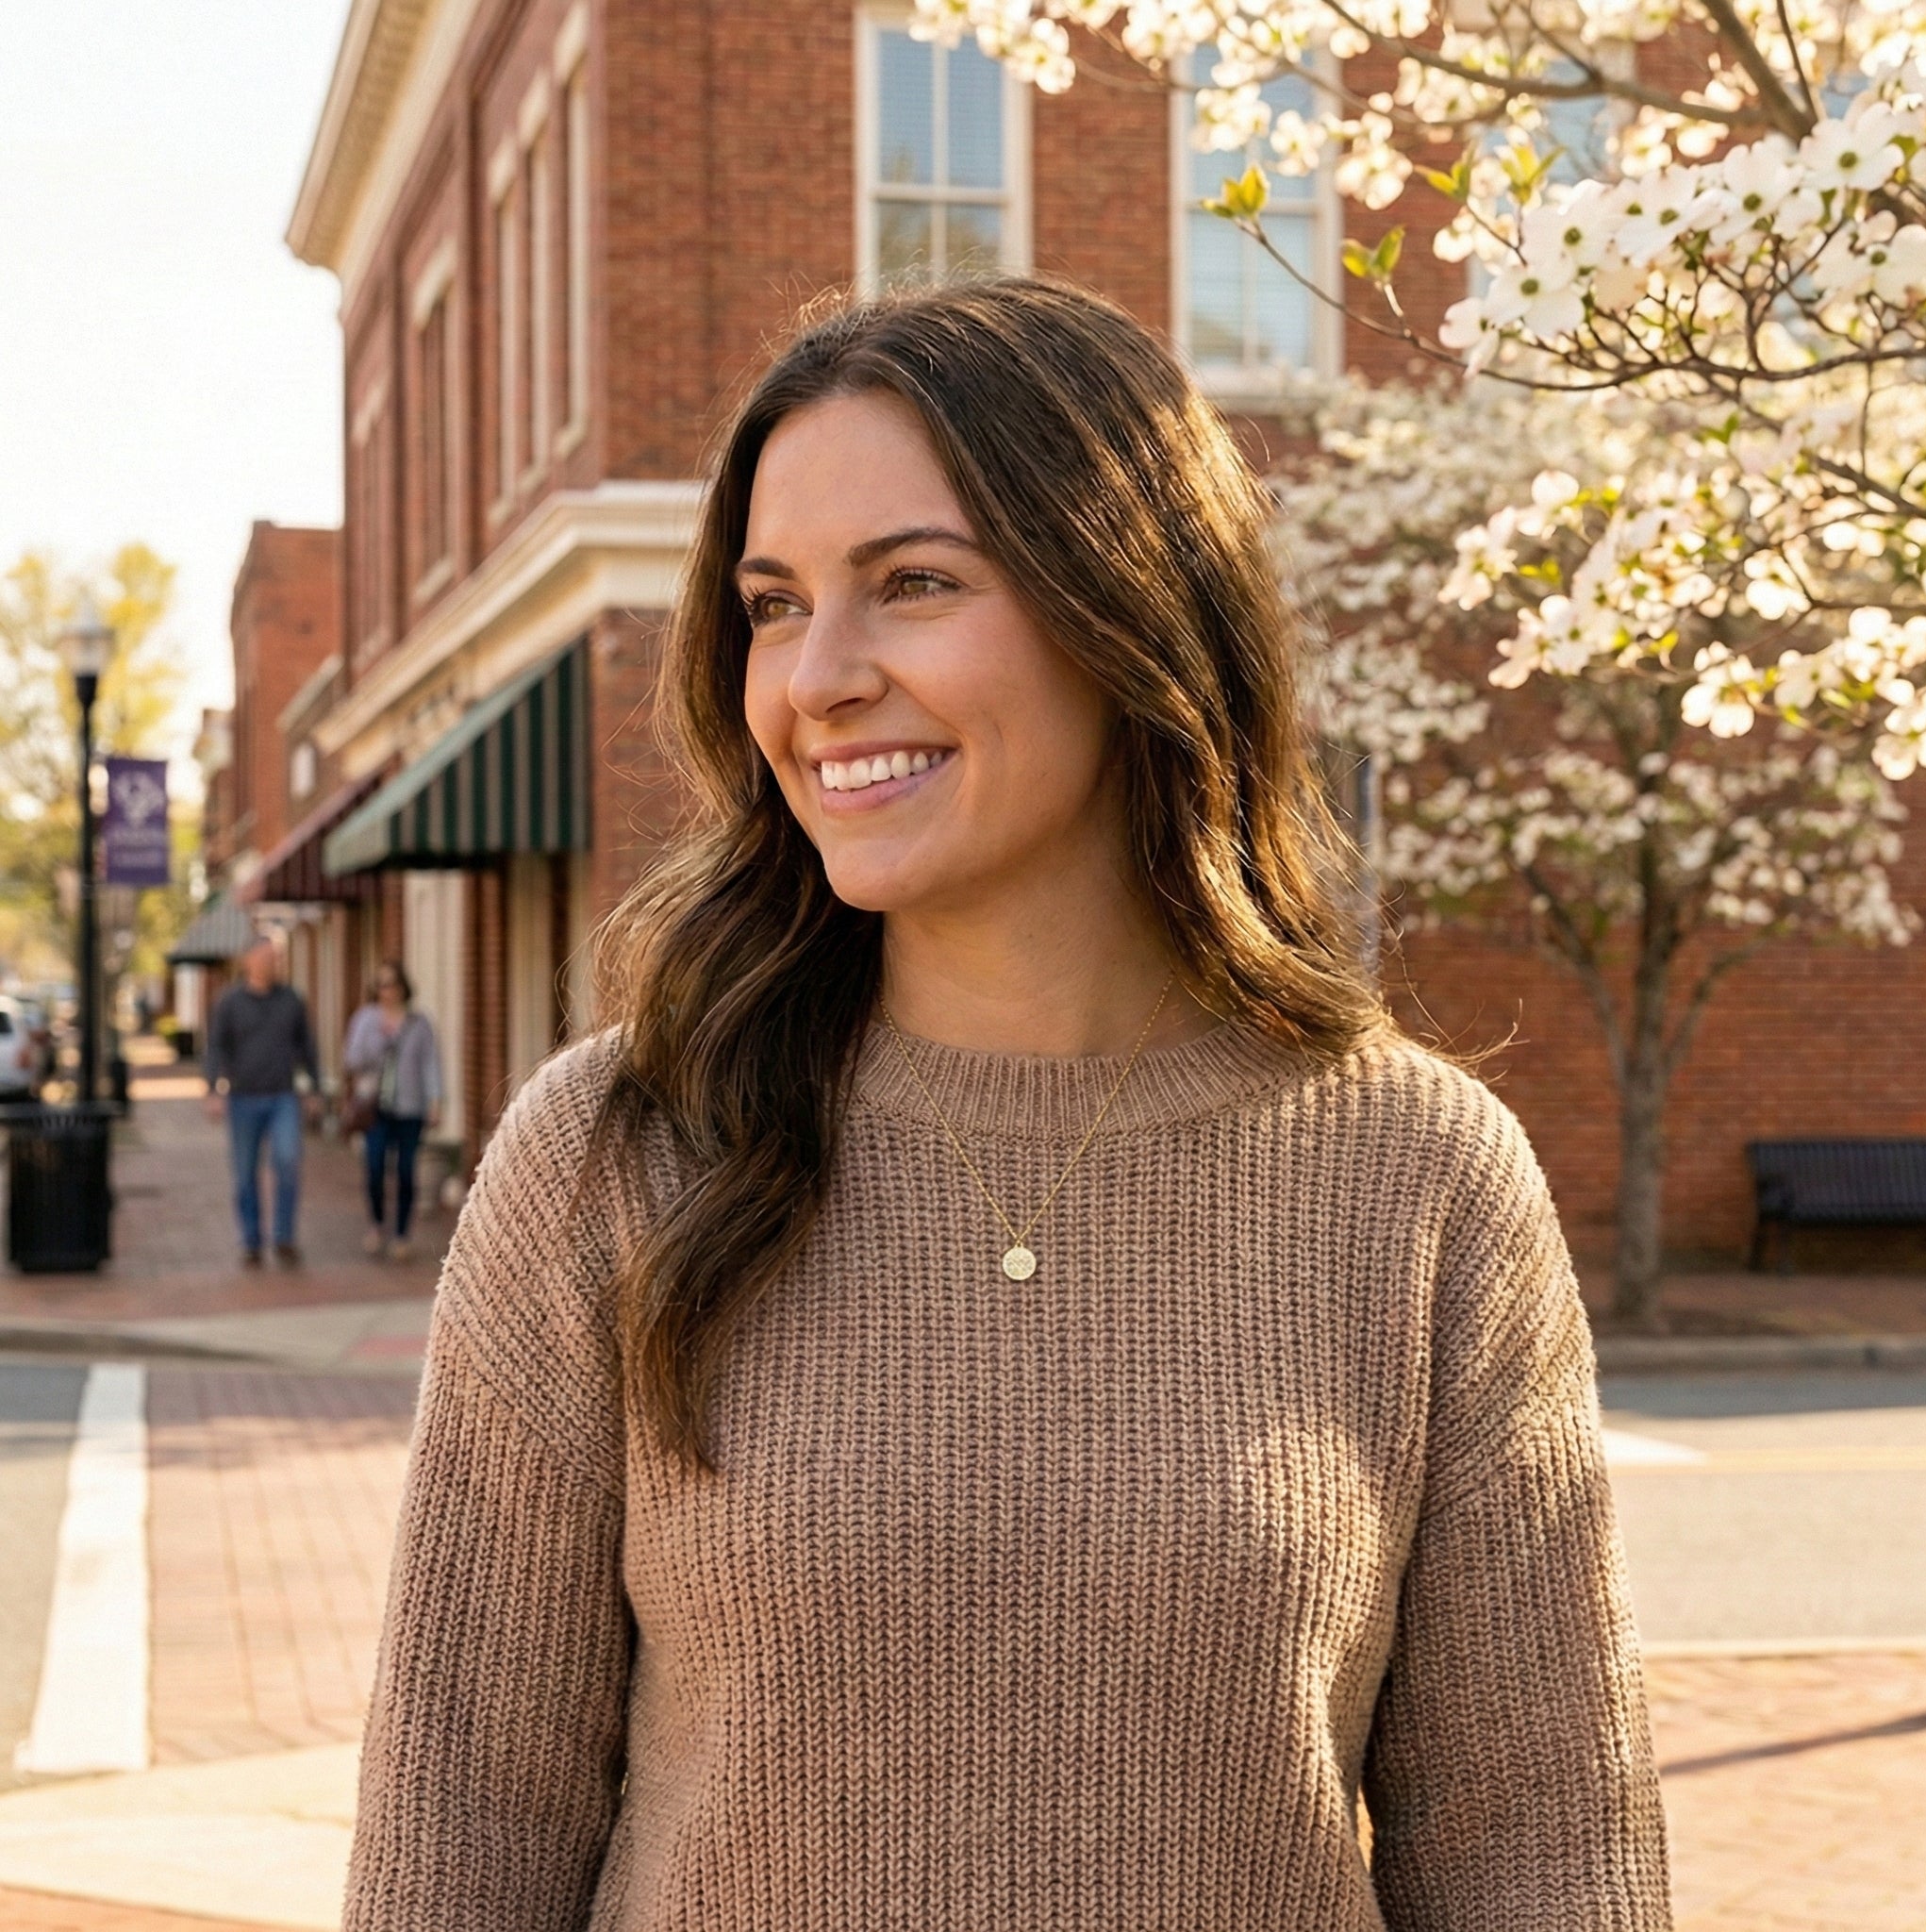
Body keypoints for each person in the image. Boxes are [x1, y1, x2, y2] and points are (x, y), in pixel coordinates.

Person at [344, 281, 1670, 1929]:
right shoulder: (614, 1152)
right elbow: (453, 1842)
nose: (815, 679)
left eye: (911, 584)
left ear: (1126, 611)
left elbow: (1539, 1848)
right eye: (771, 605)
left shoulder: (1418, 1178)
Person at [203, 935, 318, 1267]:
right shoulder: (229, 1003)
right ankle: (252, 1241)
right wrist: (212, 1089)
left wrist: (314, 1089)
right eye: (267, 958)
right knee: (244, 1173)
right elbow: (215, 1047)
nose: (273, 964)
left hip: (283, 1097)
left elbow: (307, 1048)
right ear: (248, 962)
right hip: (243, 1099)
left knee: (287, 1162)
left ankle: (284, 1238)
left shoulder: (291, 1000)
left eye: (276, 958)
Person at [342, 961, 442, 1261]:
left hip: (410, 1107)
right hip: (375, 1106)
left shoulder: (419, 1023)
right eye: (382, 985)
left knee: (406, 1171)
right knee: (374, 1167)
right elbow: (352, 1059)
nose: (387, 991)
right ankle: (376, 1225)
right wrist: (379, 1040)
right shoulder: (366, 1020)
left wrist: (436, 1101)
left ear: (403, 988)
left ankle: (402, 1234)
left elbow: (431, 1064)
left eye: (393, 985)